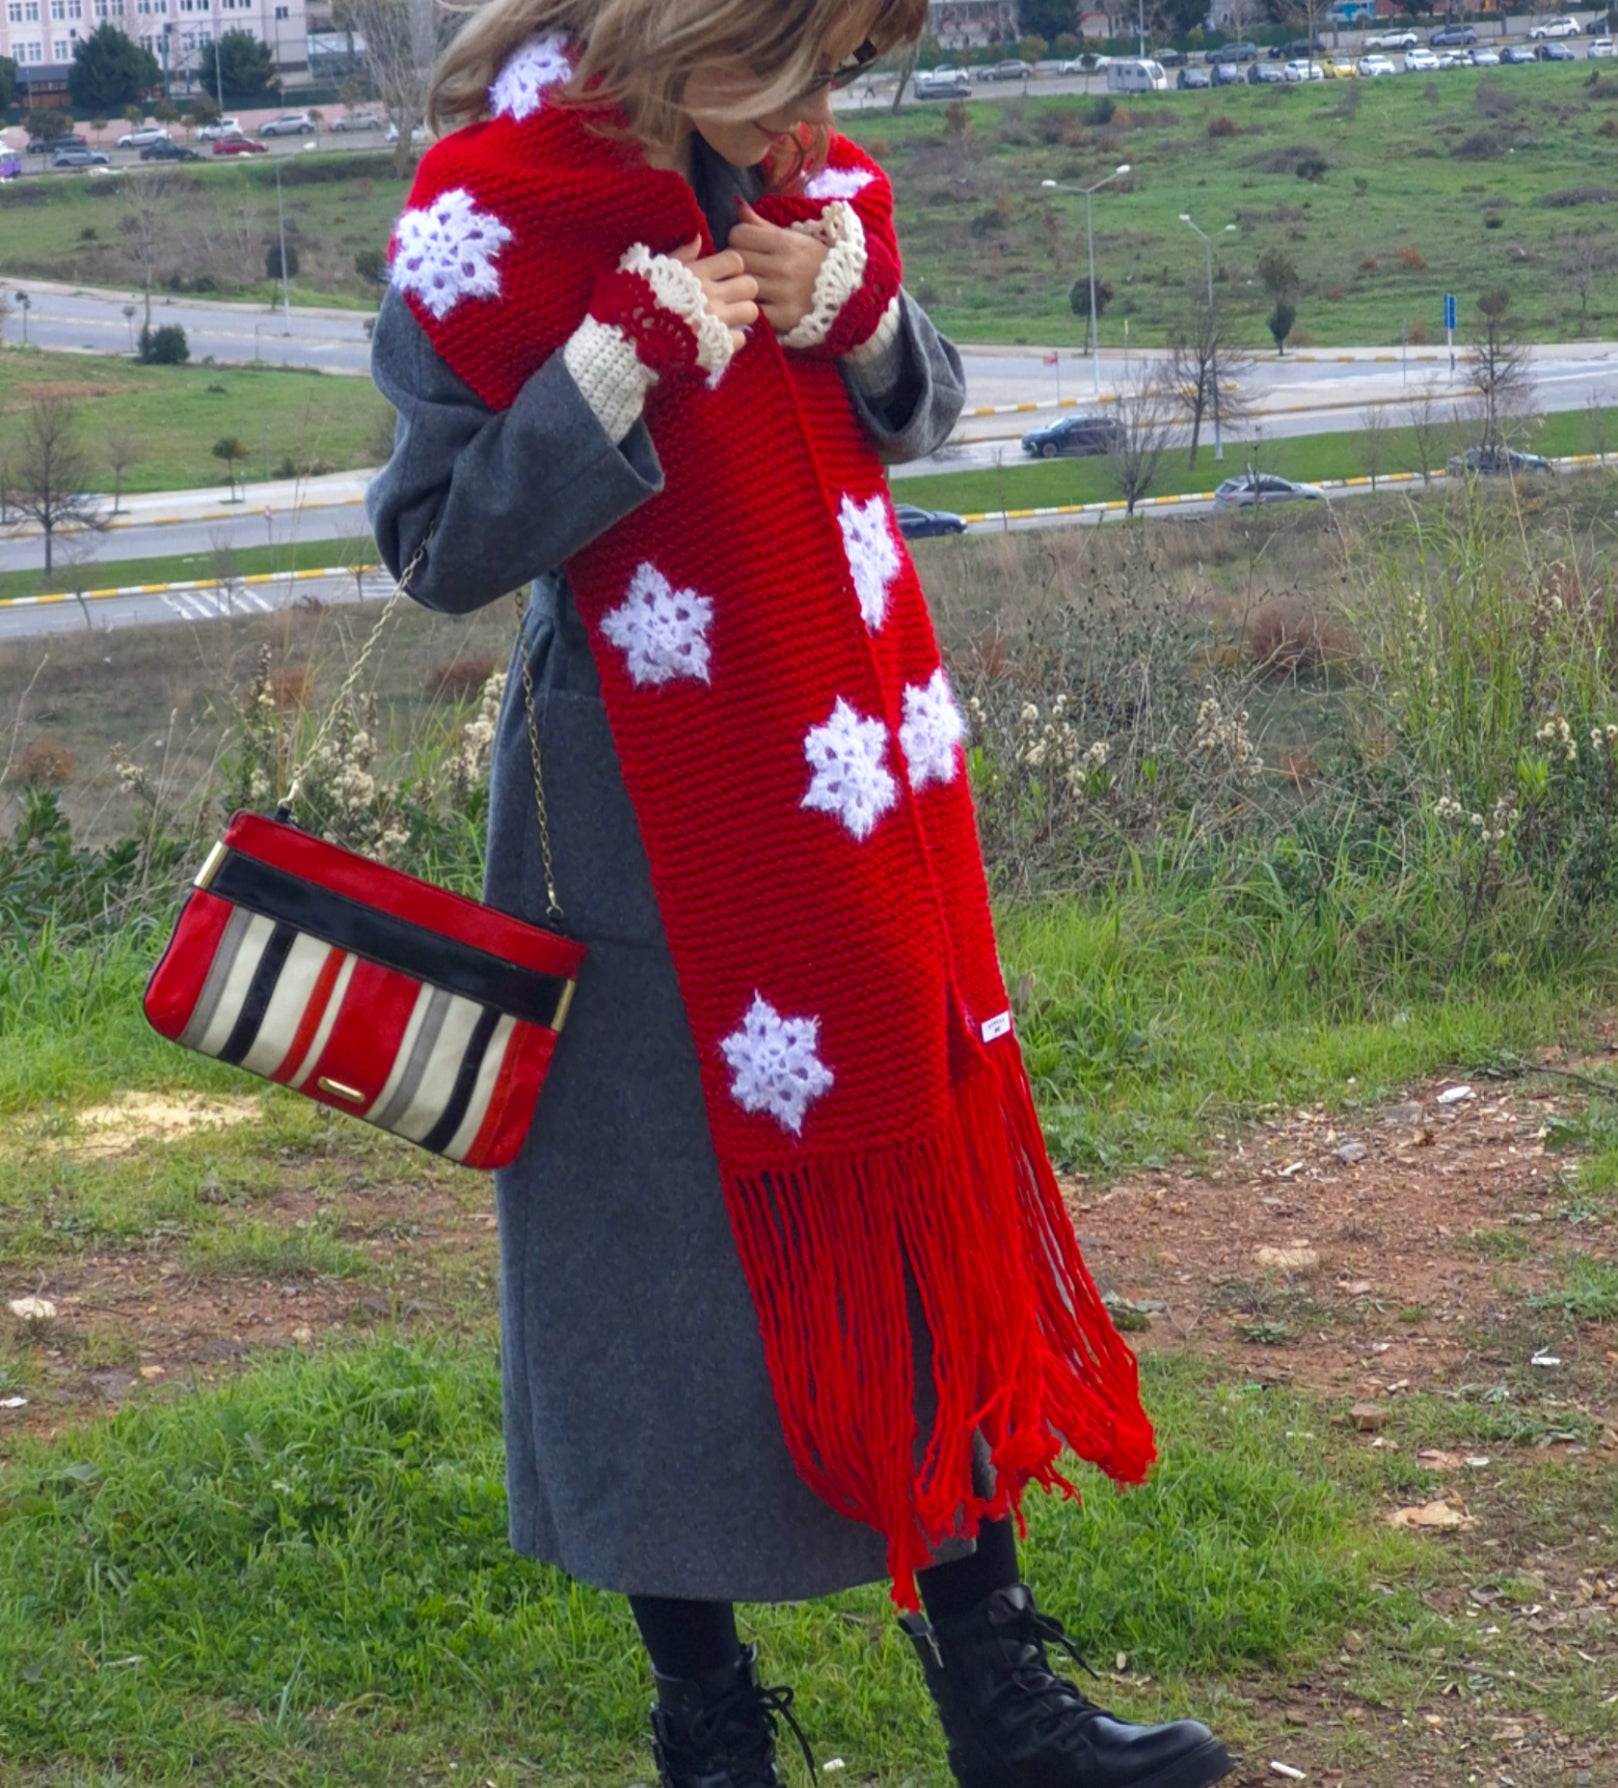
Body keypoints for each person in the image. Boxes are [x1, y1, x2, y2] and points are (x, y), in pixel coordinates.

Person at [366, 3, 1232, 1785]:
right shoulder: (484, 222)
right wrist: (609, 367)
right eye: (805, 66)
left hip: (855, 787)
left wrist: (858, 310)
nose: (828, 113)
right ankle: (706, 1732)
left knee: (917, 1194)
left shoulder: (814, 183)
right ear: (695, 39)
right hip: (636, 821)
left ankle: (994, 1700)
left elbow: (922, 408)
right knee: (645, 1261)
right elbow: (435, 544)